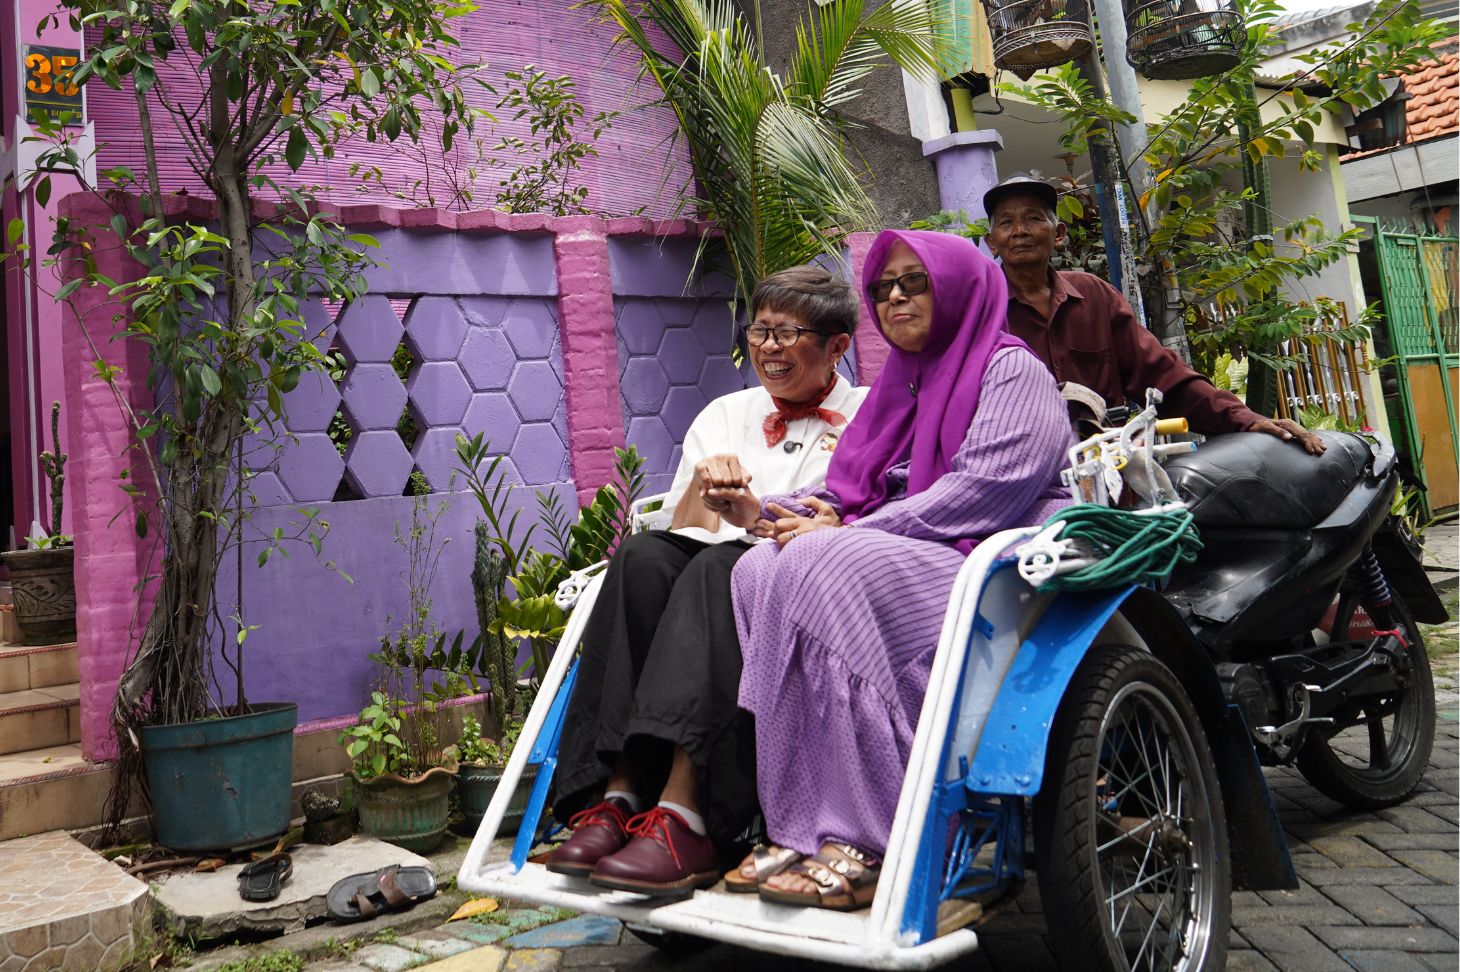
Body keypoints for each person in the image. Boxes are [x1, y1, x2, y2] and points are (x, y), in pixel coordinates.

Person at [728, 229, 1074, 910]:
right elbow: (850, 489)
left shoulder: (1011, 370)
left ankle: (875, 833)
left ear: (959, 288)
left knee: (826, 557)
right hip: (898, 549)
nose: (892, 297)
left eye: (912, 282)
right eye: (882, 287)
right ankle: (802, 823)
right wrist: (775, 510)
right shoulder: (899, 383)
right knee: (758, 570)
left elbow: (987, 489)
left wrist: (846, 529)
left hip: (982, 557)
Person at [545, 266, 869, 896]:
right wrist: (705, 488)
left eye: (788, 333)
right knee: (639, 557)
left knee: (727, 566)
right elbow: (685, 528)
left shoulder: (866, 416)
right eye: (760, 331)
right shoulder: (726, 412)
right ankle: (616, 795)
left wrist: (768, 520)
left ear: (837, 345)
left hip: (799, 584)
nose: (768, 347)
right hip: (711, 570)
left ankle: (688, 813)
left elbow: (858, 515)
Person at [982, 174, 1325, 455]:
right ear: (992, 241)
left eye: (1032, 218)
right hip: (1023, 470)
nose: (1019, 231)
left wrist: (1245, 419)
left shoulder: (1093, 296)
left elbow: (1164, 377)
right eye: (1006, 222)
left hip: (1110, 467)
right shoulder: (979, 309)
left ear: (1058, 235)